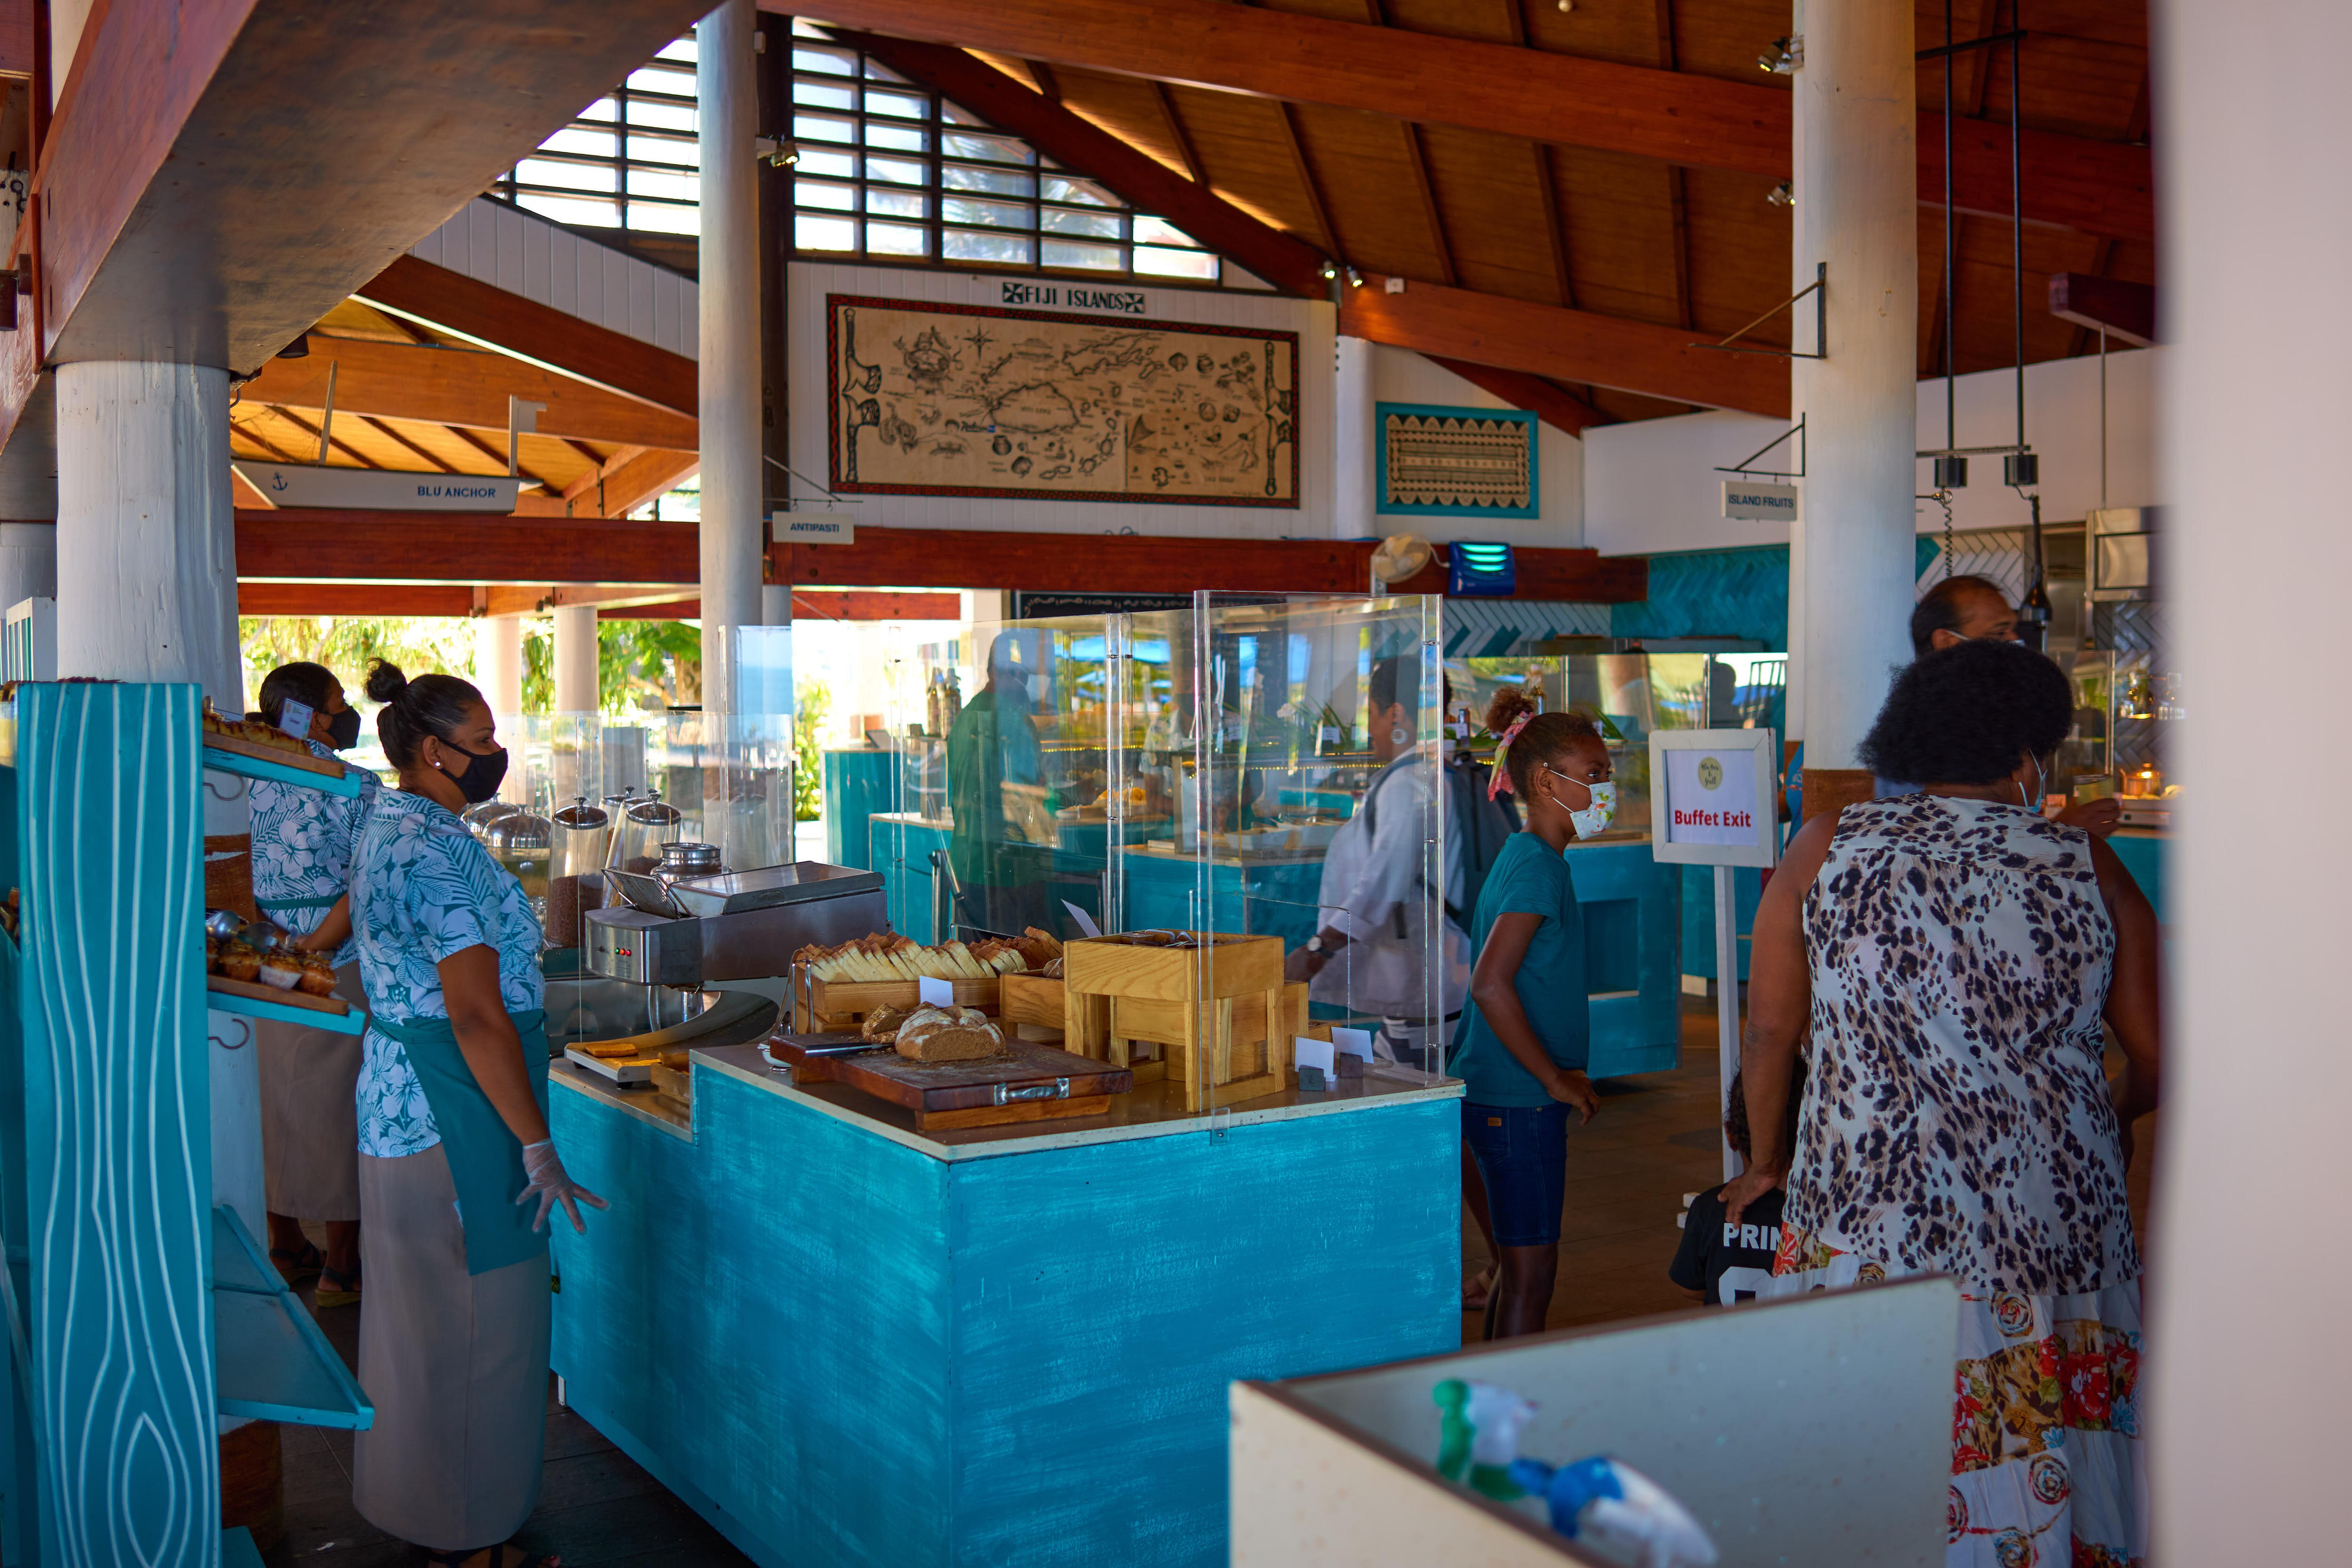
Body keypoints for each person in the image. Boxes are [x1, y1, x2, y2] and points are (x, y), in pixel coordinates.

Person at [1724, 638, 2159, 1568]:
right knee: (2052, 1450)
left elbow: (1767, 1035)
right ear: (2027, 753)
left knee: (1875, 1441)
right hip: (2056, 1223)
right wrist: (2111, 1115)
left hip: (1866, 1217)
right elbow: (2161, 1057)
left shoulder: (1824, 845)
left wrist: (1764, 1163)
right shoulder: (2086, 861)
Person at [347, 661, 608, 1568]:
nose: (498, 754)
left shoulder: (385, 821)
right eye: (486, 739)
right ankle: (471, 1544)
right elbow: (474, 1013)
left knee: (416, 1326)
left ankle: (411, 1506)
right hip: (458, 1112)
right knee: (481, 1330)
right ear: (434, 749)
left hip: (394, 1103)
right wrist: (536, 1142)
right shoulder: (440, 848)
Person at [1448, 689, 1613, 1339]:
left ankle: (1496, 1409)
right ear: (1547, 781)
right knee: (1532, 1273)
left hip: (1502, 1096)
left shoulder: (1531, 857)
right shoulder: (1537, 868)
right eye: (1594, 775)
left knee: (1516, 1269)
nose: (1605, 788)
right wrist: (1553, 1078)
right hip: (1517, 1102)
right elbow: (1491, 982)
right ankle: (1503, 1428)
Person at [247, 661, 380, 1307]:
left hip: (269, 961)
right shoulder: (356, 784)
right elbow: (366, 883)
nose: (346, 712)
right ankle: (342, 1266)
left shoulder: (248, 777)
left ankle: (285, 1244)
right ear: (306, 715)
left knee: (278, 1104)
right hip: (340, 961)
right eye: (337, 703)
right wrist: (321, 944)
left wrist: (287, 944)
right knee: (337, 1108)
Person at [1285, 656, 1470, 1070]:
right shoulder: (1437, 772)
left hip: (1426, 982)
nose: (1369, 728)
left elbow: (1382, 883)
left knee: (1422, 1102)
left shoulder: (1411, 783)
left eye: (1371, 714)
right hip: (1435, 977)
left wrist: (1317, 950)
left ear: (1397, 713)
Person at [1892, 574, 2122, 838]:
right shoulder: (1907, 735)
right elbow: (1952, 847)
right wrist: (2059, 837)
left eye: (2014, 631)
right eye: (1999, 633)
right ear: (1947, 642)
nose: (2015, 642)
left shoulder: (2006, 710)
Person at [1667, 1061, 1805, 1308]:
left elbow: (1689, 1287)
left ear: (1730, 1134)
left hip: (1728, 1344)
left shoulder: (1710, 1206)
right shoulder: (1822, 1215)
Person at [945, 633, 1049, 937]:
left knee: (979, 967)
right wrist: (1069, 795)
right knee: (1021, 968)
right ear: (996, 672)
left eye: (1025, 676)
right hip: (1008, 866)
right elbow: (1027, 794)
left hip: (969, 860)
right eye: (1016, 675)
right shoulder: (1010, 719)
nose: (1023, 684)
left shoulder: (967, 715)